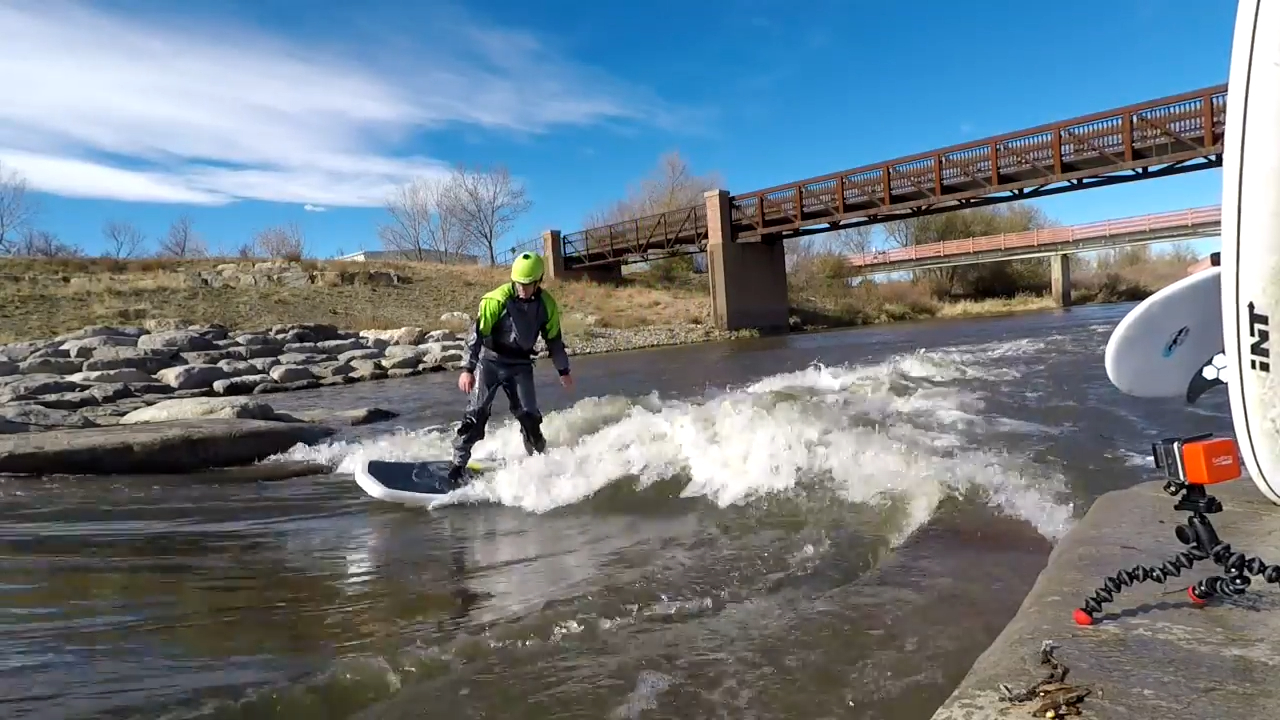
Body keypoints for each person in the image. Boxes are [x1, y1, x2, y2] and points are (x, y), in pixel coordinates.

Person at [445, 251, 574, 486]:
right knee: (475, 417)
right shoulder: (496, 300)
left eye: (527, 284)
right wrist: (467, 368)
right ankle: (456, 466)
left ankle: (539, 463)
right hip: (489, 362)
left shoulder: (547, 305)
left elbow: (554, 339)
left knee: (530, 419)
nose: (522, 289)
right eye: (519, 283)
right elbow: (477, 335)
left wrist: (563, 371)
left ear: (538, 282)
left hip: (520, 365)